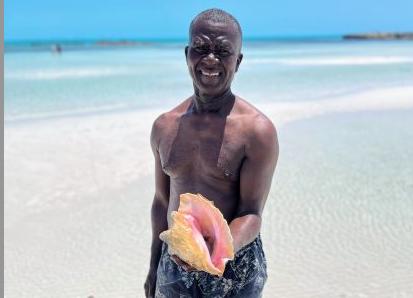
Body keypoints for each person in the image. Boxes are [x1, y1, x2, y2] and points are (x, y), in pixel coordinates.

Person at [144, 8, 278, 298]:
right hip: (176, 263)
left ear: (238, 61)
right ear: (187, 54)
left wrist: (214, 251)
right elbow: (161, 201)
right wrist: (154, 266)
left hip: (234, 266)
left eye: (223, 51)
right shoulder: (164, 126)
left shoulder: (256, 132)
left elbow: (251, 213)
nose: (210, 60)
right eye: (201, 48)